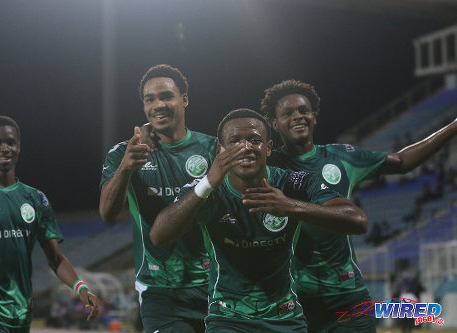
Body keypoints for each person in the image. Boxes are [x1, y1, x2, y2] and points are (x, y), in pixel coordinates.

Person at [260, 79, 457, 332]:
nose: (298, 116)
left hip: (347, 297)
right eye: (288, 113)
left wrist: (453, 126)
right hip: (292, 301)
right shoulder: (265, 167)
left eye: (304, 110)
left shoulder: (342, 156)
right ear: (274, 124)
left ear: (314, 117)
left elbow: (401, 161)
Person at [150, 108, 368, 332]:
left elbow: (358, 220)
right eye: (235, 141)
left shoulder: (293, 183)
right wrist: (208, 182)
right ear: (221, 150)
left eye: (255, 140)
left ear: (269, 148)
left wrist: (290, 206)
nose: (245, 147)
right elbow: (159, 236)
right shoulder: (206, 190)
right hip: (227, 318)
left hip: (286, 319)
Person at [99, 64, 218, 333]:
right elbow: (107, 214)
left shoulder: (211, 148)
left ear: (184, 99)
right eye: (149, 99)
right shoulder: (124, 153)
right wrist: (126, 169)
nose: (157, 105)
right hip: (159, 290)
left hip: (215, 285)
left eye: (166, 96)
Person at [0, 116, 99, 332]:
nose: (5, 148)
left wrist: (81, 288)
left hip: (23, 315)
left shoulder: (35, 199)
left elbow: (56, 258)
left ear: (19, 147)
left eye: (11, 142)